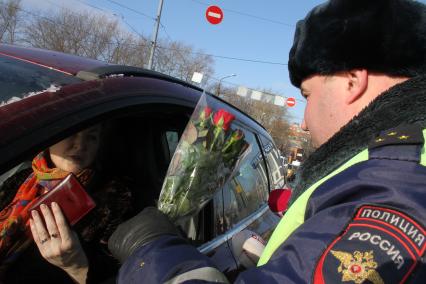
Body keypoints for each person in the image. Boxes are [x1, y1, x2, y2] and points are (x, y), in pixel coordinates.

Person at [108, 0, 426, 283]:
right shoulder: (391, 166)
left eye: (308, 95)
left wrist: (150, 250)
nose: (302, 121)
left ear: (352, 82)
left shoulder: (392, 185)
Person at [0, 124, 134, 283]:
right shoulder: (23, 177)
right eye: (71, 133)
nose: (81, 145)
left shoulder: (115, 197)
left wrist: (76, 266)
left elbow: (119, 274)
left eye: (92, 137)